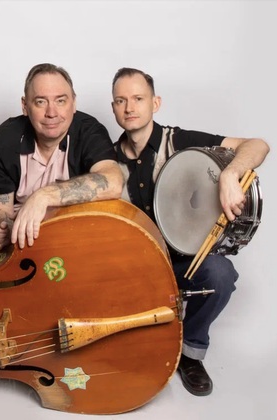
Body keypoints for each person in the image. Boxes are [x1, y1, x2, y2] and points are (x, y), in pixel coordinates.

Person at [110, 67, 270, 396]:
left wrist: (230, 174)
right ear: (113, 108)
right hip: (134, 266)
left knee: (220, 274)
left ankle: (190, 352)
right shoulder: (106, 162)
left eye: (138, 98)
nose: (129, 107)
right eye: (121, 101)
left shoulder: (180, 141)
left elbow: (258, 146)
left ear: (155, 103)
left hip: (184, 260)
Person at [0, 63, 123, 252]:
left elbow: (113, 182)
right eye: (40, 102)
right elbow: (0, 206)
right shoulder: (3, 139)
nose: (51, 113)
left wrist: (42, 197)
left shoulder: (89, 131)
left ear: (74, 103)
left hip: (76, 238)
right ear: (25, 106)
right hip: (24, 242)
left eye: (60, 101)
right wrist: (1, 228)